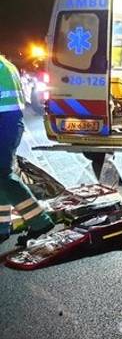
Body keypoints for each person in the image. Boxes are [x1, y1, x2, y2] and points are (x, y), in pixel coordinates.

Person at [0, 52, 54, 246]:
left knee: (2, 175)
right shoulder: (5, 63)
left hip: (3, 124)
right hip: (10, 123)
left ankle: (40, 222)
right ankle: (2, 226)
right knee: (1, 176)